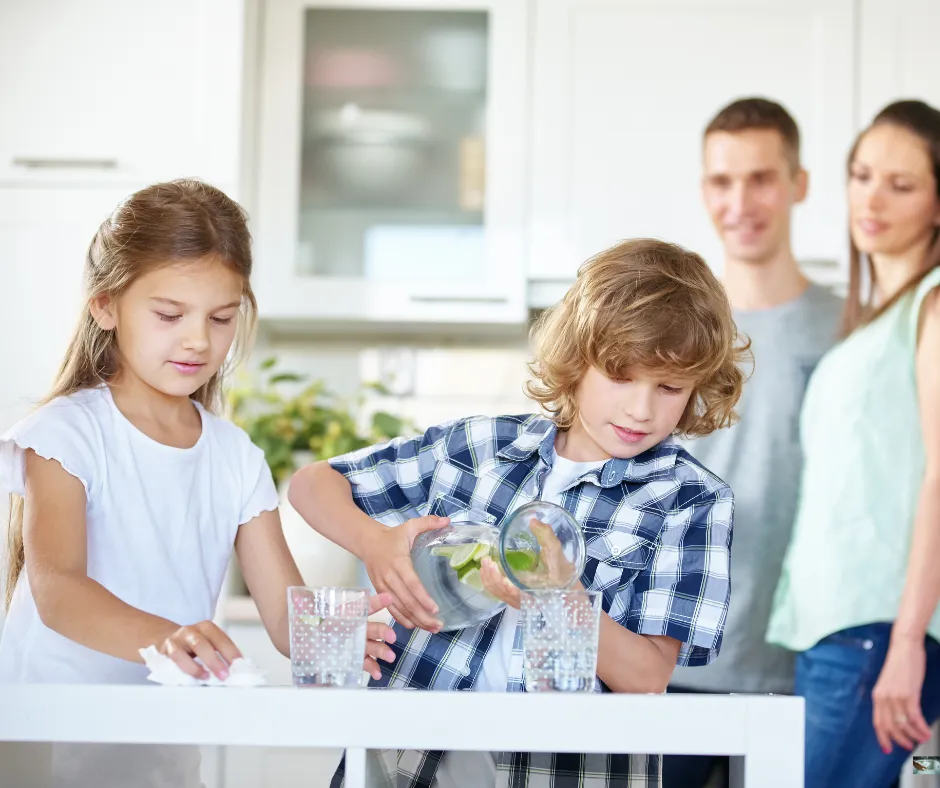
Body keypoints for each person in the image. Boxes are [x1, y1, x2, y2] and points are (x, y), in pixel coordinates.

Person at [289, 238, 751, 788]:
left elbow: (648, 675)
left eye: (669, 387)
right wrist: (375, 543)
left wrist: (559, 596)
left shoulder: (691, 500)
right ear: (578, 362)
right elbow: (312, 484)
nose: (641, 408)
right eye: (621, 376)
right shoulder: (480, 446)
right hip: (406, 763)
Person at [0, 180, 395, 787]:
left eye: (220, 318)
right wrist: (170, 639)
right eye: (169, 315)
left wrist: (341, 632)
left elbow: (287, 619)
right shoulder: (67, 434)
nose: (197, 340)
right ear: (106, 306)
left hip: (160, 743)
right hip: (49, 733)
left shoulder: (234, 457)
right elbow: (59, 591)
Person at [663, 97, 843, 787]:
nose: (740, 202)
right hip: (669, 659)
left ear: (798, 184)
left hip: (800, 669)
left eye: (762, 178)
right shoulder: (676, 325)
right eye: (721, 181)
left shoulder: (849, 328)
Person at [767, 99, 940, 788]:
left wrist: (905, 642)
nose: (872, 199)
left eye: (901, 185)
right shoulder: (875, 319)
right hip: (835, 629)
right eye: (863, 175)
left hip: (875, 632)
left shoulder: (933, 303)